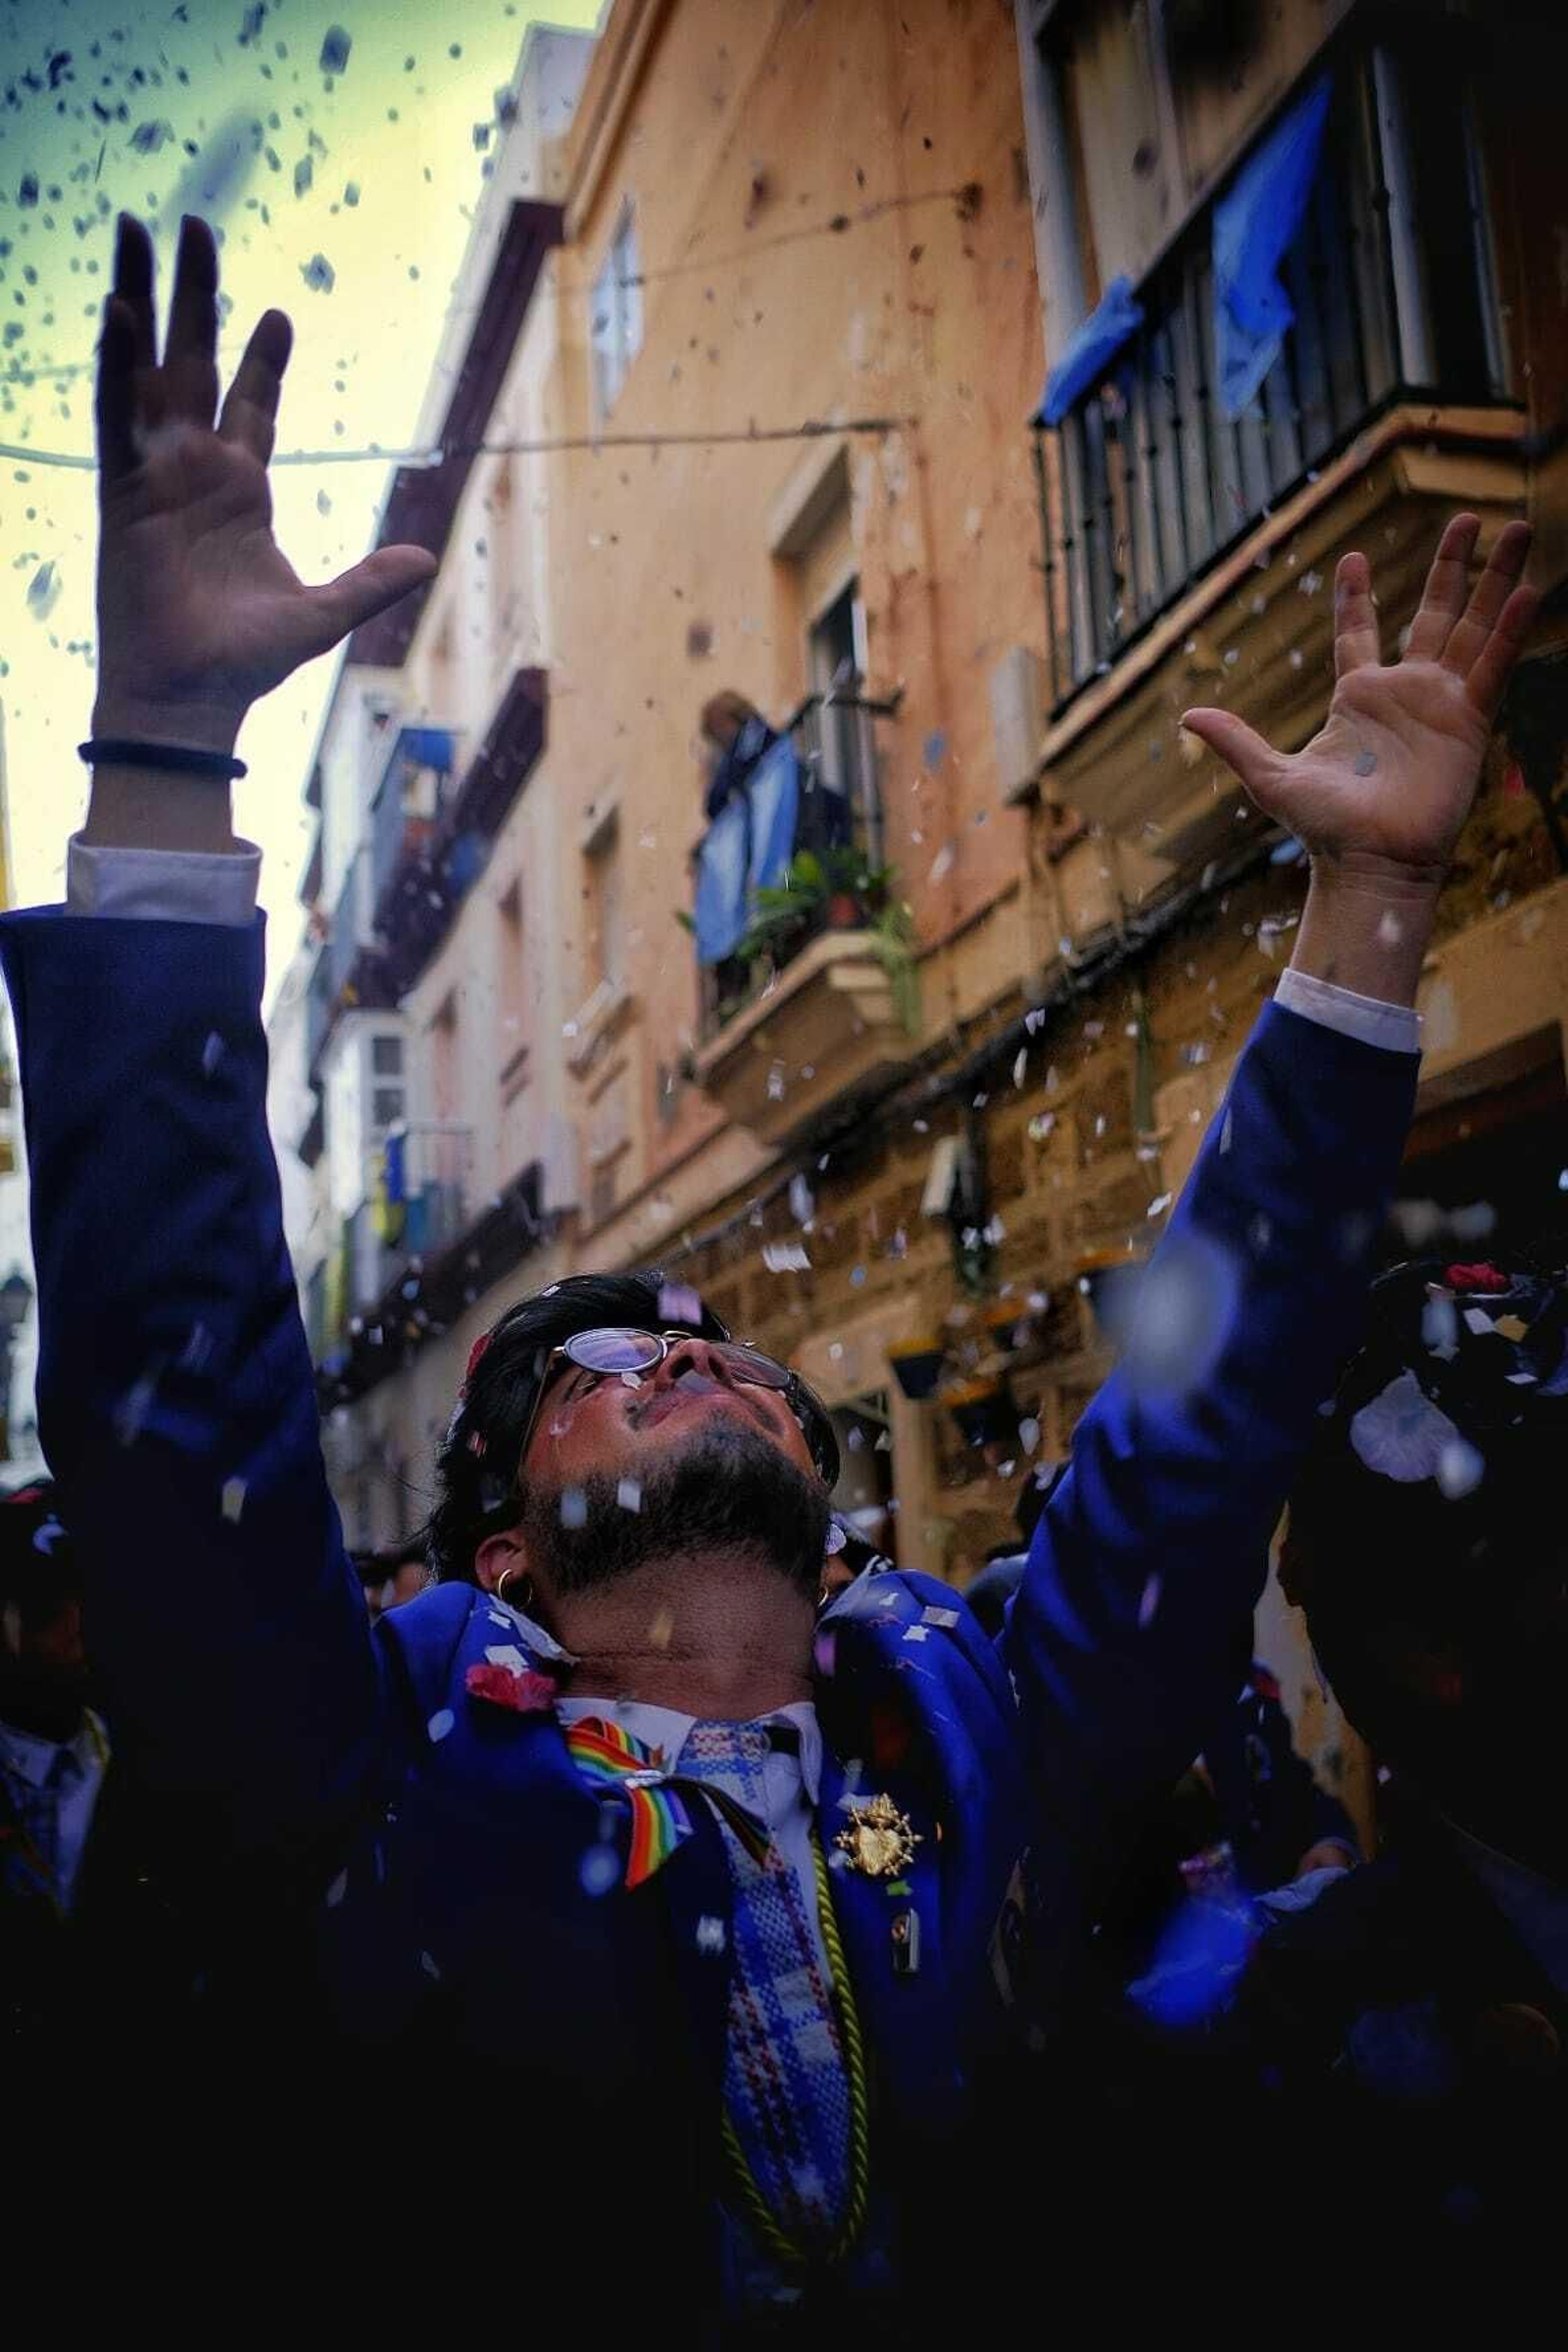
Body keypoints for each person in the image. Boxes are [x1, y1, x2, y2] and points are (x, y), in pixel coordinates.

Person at [0, 210, 1537, 2328]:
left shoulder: (983, 1719)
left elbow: (1205, 1414)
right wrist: (162, 757)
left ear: (828, 1538)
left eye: (707, 1352)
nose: (683, 1352)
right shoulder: (363, 1772)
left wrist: (1366, 902)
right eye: (594, 1367)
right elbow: (175, 1405)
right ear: (510, 1558)